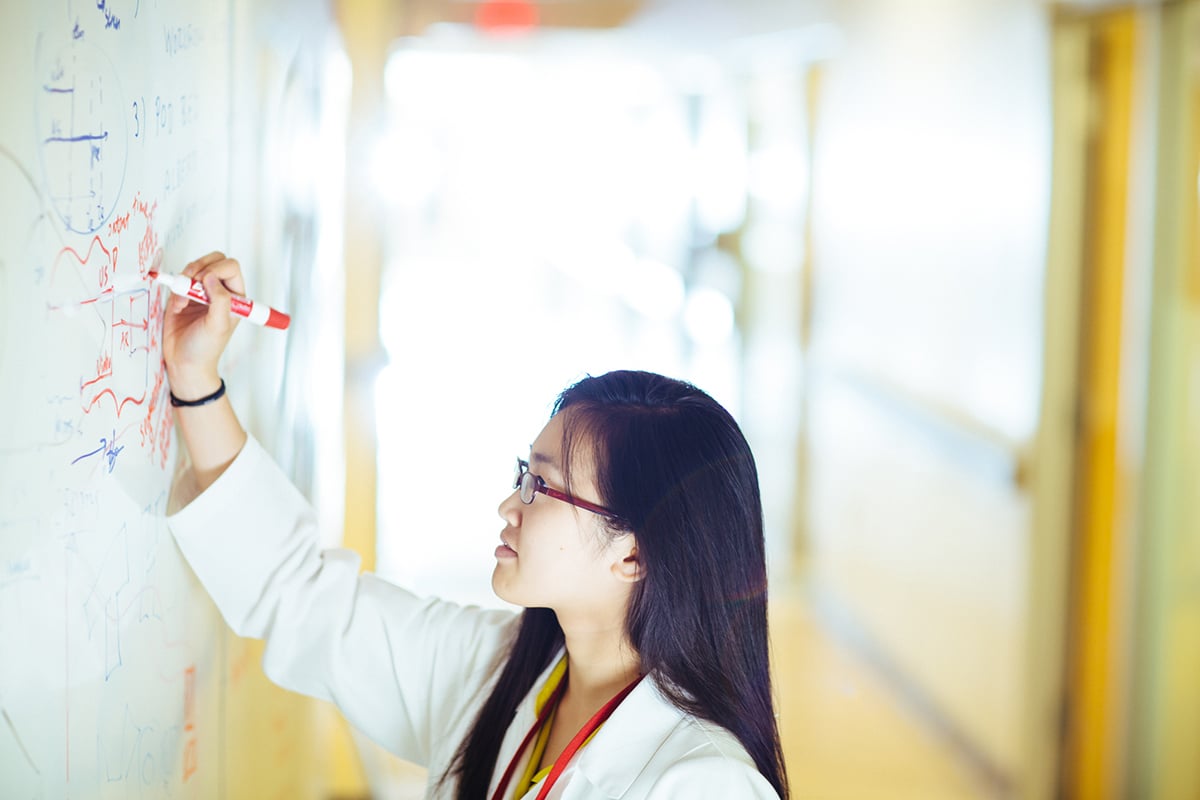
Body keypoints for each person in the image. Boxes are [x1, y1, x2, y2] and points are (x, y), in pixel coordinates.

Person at [163, 252, 790, 800]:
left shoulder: (707, 784)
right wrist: (196, 380)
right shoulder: (495, 672)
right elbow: (300, 595)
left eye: (541, 487)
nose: (509, 507)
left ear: (634, 556)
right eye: (524, 475)